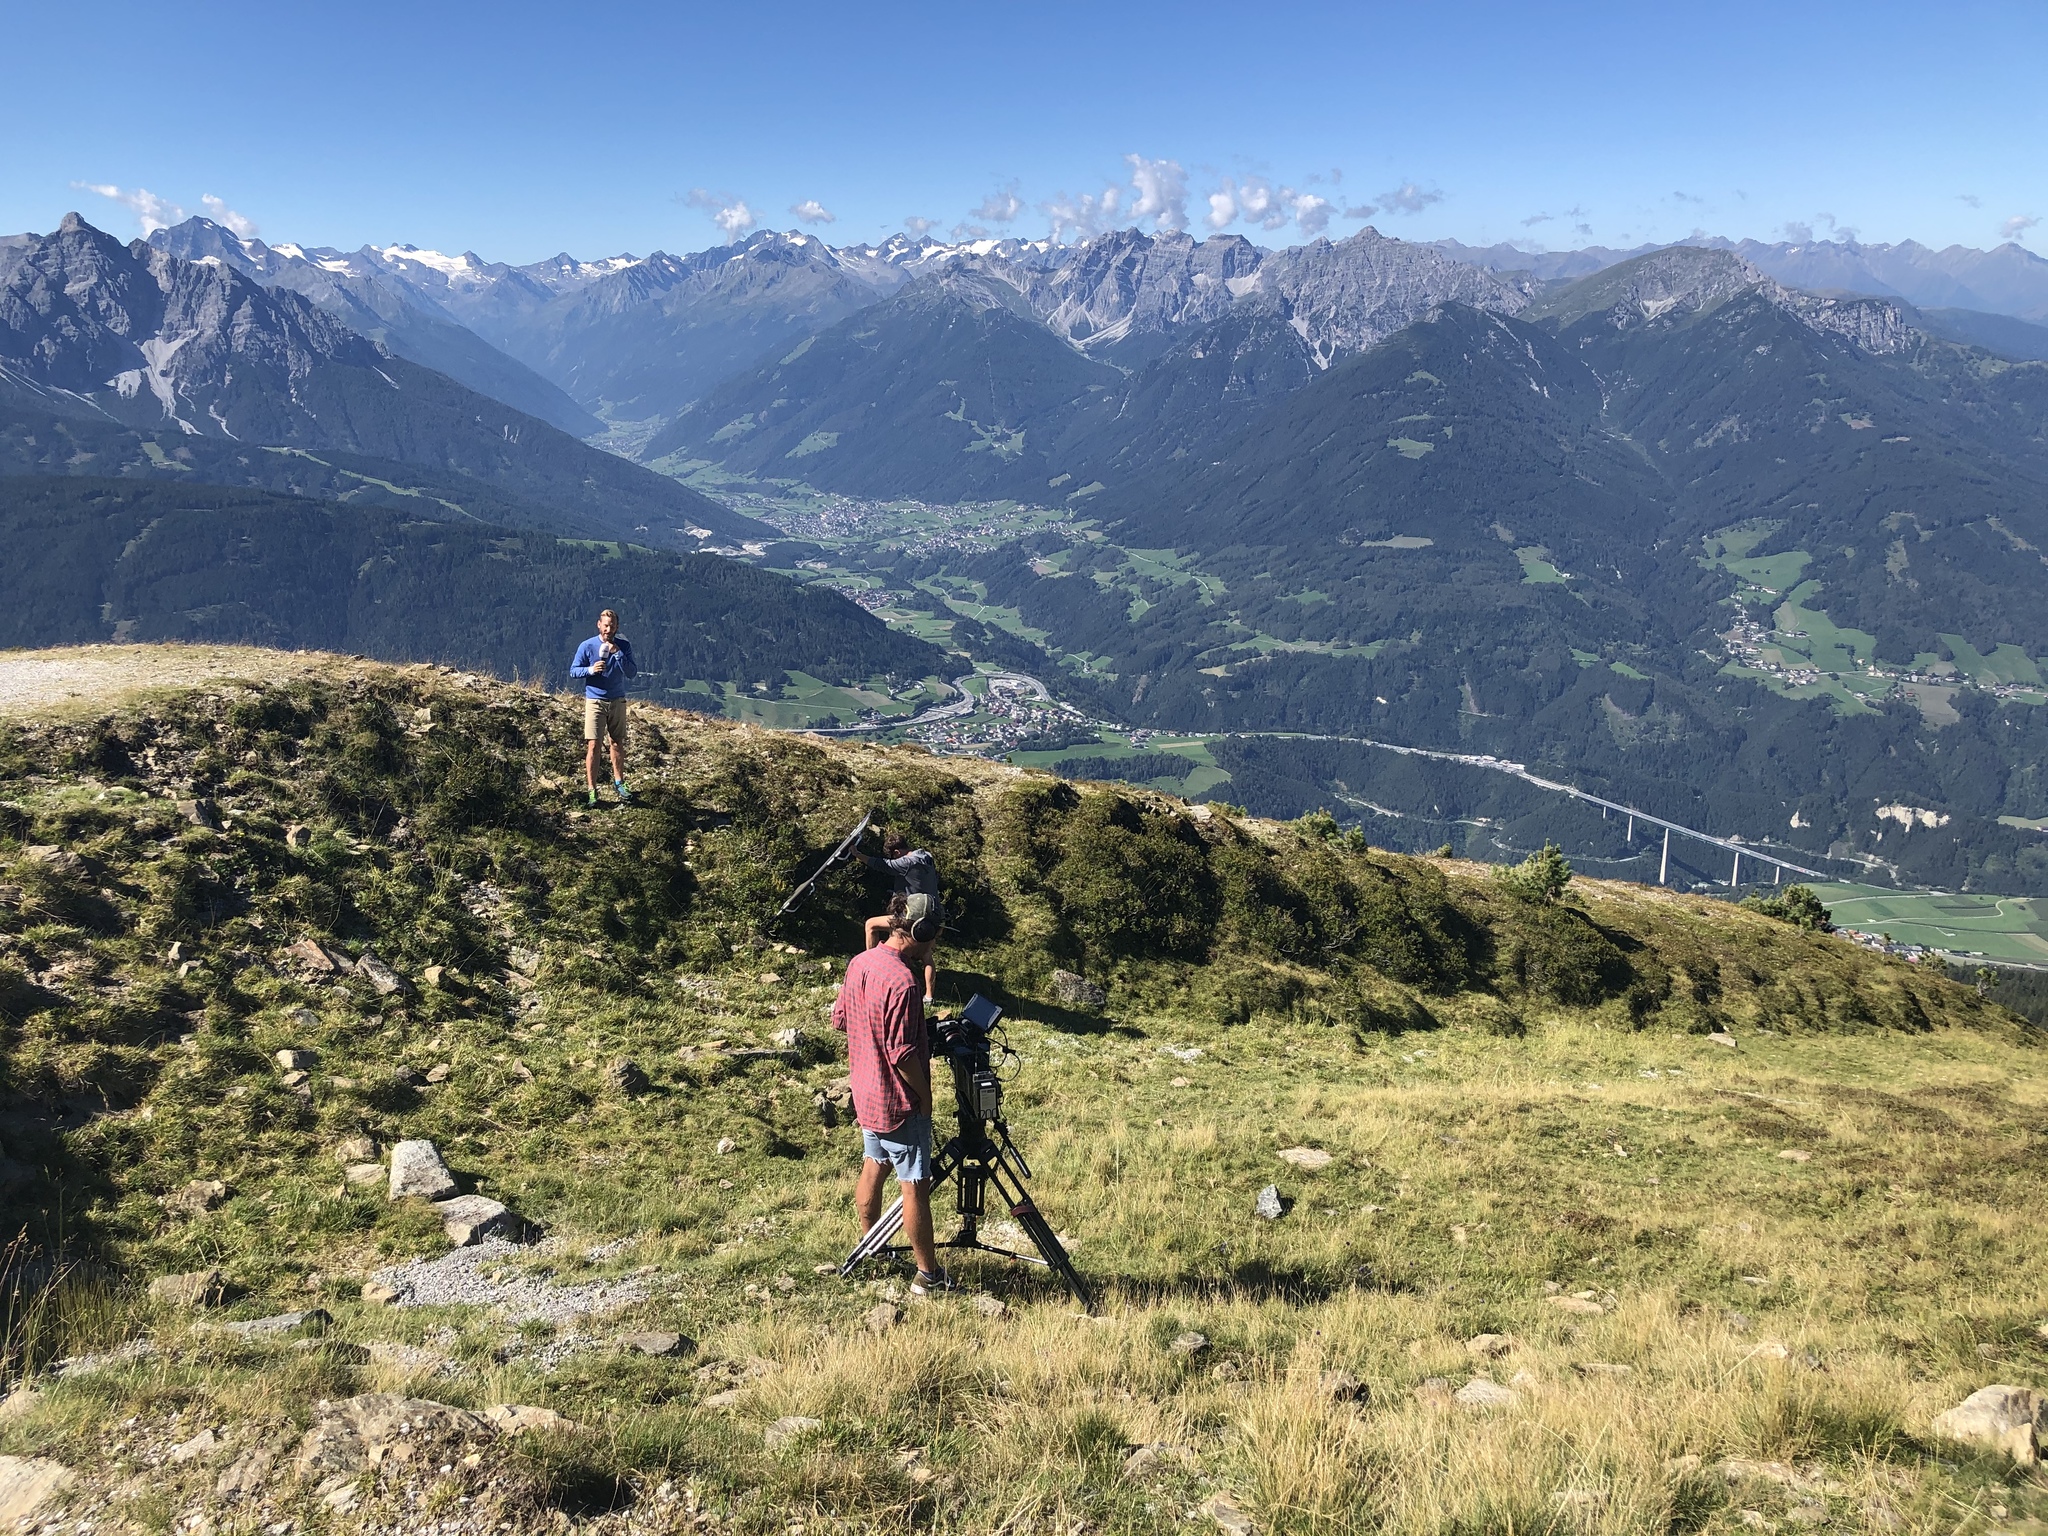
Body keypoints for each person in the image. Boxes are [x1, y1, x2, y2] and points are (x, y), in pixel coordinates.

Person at [832, 915, 950, 1294]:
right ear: (922, 934)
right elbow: (902, 1055)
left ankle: (873, 1247)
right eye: (934, 939)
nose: (934, 948)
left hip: (867, 1093)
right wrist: (926, 1097)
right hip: (899, 1102)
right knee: (914, 1185)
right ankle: (928, 1275)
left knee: (875, 1164)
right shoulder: (904, 982)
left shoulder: (860, 962)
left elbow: (840, 1020)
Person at [861, 831, 941, 1004]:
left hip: (914, 916)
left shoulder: (906, 862)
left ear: (896, 852)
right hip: (935, 915)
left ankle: (870, 969)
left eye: (894, 856)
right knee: (926, 954)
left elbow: (882, 865)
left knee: (871, 925)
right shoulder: (926, 856)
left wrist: (857, 854)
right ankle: (929, 996)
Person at [570, 609, 636, 807]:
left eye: (612, 625)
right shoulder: (587, 645)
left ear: (617, 627)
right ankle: (592, 791)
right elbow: (573, 671)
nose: (609, 629)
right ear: (599, 625)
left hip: (617, 700)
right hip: (595, 701)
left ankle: (619, 783)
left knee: (616, 743)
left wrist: (618, 654)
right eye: (605, 625)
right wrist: (591, 670)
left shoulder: (623, 646)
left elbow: (631, 672)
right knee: (594, 745)